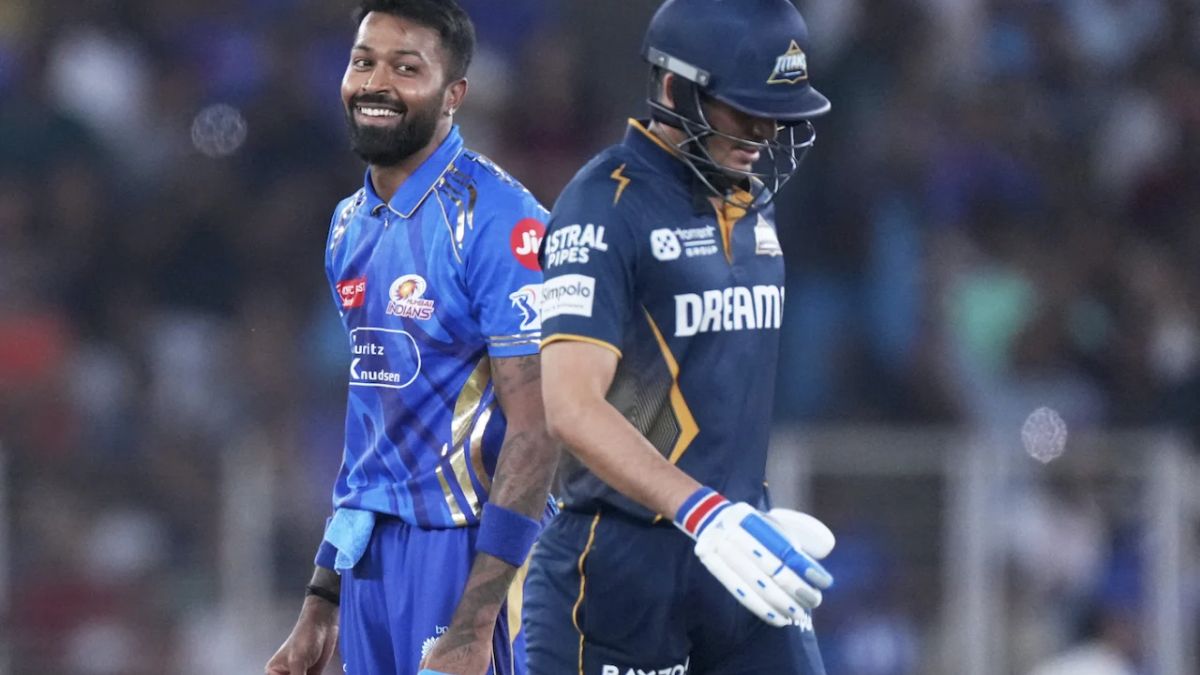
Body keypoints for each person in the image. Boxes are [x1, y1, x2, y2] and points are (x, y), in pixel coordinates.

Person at [523, 1, 837, 673]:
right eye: (743, 109)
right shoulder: (603, 205)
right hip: (617, 569)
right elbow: (570, 406)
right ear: (674, 88)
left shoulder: (752, 201)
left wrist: (736, 508)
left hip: (738, 550)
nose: (764, 131)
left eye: (775, 112)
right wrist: (702, 511)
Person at [264, 2, 557, 674]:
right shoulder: (349, 224)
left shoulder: (501, 221)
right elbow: (372, 432)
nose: (376, 83)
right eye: (363, 62)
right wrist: (322, 598)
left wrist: (475, 621)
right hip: (373, 566)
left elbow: (538, 430)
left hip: (472, 554)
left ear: (453, 94)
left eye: (406, 68)